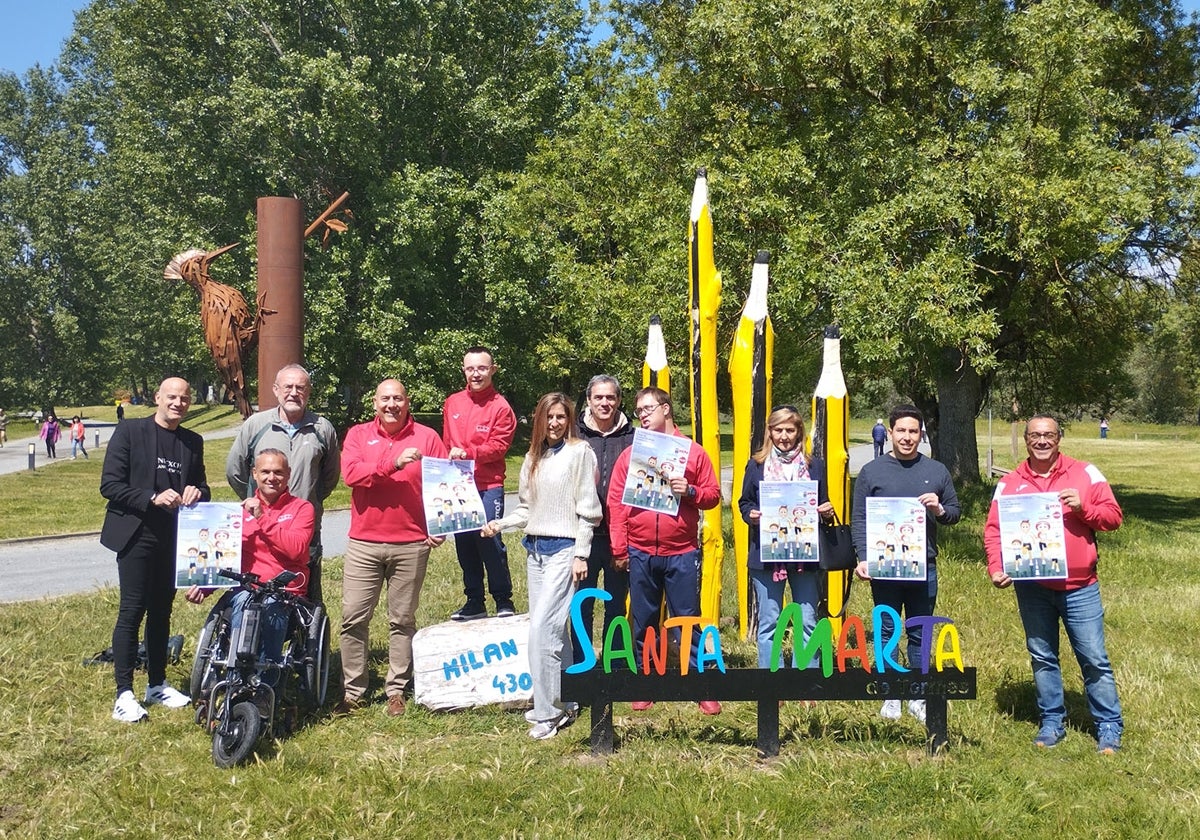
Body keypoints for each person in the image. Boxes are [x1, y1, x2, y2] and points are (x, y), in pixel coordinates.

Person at [984, 415, 1124, 753]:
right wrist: (996, 567)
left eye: (1048, 435)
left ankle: (1108, 727)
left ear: (1059, 438)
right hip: (1031, 587)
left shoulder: (1085, 473)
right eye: (1035, 435)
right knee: (1042, 656)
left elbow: (1113, 518)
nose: (1042, 441)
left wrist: (1084, 507)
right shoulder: (1010, 482)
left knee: (1093, 658)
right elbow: (994, 530)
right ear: (1027, 439)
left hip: (1080, 585)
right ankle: (1052, 722)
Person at [482, 393, 601, 739]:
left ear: (570, 419)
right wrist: (498, 525)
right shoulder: (533, 456)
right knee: (552, 630)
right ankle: (568, 700)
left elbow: (588, 511)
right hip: (535, 552)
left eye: (561, 417)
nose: (554, 423)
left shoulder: (581, 453)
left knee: (542, 634)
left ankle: (548, 713)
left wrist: (582, 554)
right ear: (539, 420)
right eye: (548, 417)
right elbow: (526, 509)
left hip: (564, 552)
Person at [100, 377, 210, 723]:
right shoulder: (130, 432)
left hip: (174, 537)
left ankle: (157, 684)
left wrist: (197, 492)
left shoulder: (193, 441)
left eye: (184, 399)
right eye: (172, 397)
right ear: (157, 398)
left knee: (162, 611)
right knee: (132, 610)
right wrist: (151, 496)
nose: (178, 403)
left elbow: (203, 486)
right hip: (137, 532)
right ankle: (124, 693)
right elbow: (110, 485)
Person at [607, 387, 722, 715]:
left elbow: (713, 495)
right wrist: (619, 547)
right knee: (643, 621)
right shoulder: (631, 455)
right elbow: (616, 501)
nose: (642, 414)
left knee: (687, 620)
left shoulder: (693, 453)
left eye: (648, 408)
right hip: (640, 550)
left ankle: (699, 686)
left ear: (666, 409)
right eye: (639, 410)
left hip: (681, 551)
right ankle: (647, 684)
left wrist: (691, 491)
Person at [338, 379, 447, 717]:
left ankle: (396, 689)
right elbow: (352, 475)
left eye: (397, 398)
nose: (391, 405)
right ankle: (354, 690)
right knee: (353, 617)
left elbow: (444, 482)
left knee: (402, 620)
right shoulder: (357, 435)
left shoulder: (427, 437)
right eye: (385, 398)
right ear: (375, 403)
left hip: (412, 543)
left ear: (407, 402)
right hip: (365, 543)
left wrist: (441, 525)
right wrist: (393, 464)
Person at [851, 405, 960, 723]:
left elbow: (954, 511)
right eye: (902, 430)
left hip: (923, 566)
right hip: (885, 567)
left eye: (914, 431)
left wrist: (939, 509)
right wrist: (863, 557)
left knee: (919, 631)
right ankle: (890, 694)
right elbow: (860, 518)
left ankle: (918, 694)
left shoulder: (936, 470)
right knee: (886, 630)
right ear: (890, 431)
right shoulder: (872, 472)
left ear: (920, 434)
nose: (907, 437)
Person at [186, 449, 314, 681]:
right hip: (247, 588)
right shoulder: (236, 515)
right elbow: (225, 558)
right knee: (245, 602)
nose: (271, 478)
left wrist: (262, 518)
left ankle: (266, 683)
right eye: (265, 471)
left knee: (272, 605)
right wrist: (203, 586)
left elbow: (296, 549)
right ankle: (237, 679)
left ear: (288, 475)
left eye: (278, 472)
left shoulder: (302, 508)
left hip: (284, 591)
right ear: (254, 474)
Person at [225, 364, 341, 603]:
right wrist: (258, 502)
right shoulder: (255, 425)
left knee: (305, 595)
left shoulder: (322, 428)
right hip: (259, 524)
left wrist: (308, 503)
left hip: (303, 526)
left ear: (308, 392)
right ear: (276, 390)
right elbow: (234, 471)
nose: (294, 392)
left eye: (301, 387)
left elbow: (329, 478)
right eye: (288, 386)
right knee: (254, 590)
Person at [738, 405, 834, 669]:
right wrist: (752, 515)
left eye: (790, 430)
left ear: (799, 432)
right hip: (767, 555)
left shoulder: (815, 466)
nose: (784, 436)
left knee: (807, 618)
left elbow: (822, 502)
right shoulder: (757, 465)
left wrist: (826, 512)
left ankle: (807, 680)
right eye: (778, 430)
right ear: (770, 432)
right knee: (769, 620)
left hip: (805, 554)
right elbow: (744, 502)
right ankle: (773, 682)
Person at [442, 346, 518, 621]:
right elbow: (447, 441)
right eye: (471, 368)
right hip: (457, 484)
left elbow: (498, 447)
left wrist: (469, 453)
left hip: (488, 484)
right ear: (464, 370)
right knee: (464, 542)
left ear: (492, 370)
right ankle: (474, 600)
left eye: (482, 368)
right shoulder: (452, 402)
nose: (476, 373)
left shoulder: (501, 407)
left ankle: (503, 600)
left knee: (489, 539)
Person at [571, 374, 635, 664]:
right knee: (581, 603)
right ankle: (582, 663)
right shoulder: (575, 434)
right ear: (589, 400)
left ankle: (615, 662)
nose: (605, 403)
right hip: (581, 535)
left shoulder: (634, 438)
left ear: (619, 401)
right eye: (599, 397)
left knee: (616, 604)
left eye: (611, 397)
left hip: (620, 535)